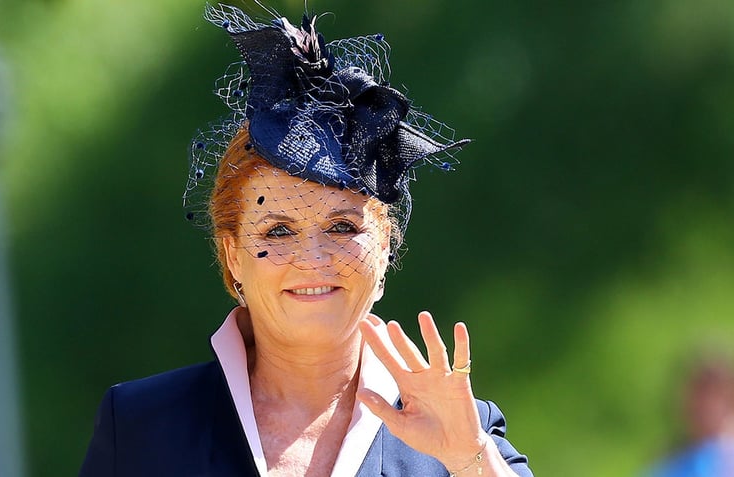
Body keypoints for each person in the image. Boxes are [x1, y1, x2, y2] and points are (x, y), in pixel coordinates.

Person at [79, 4, 532, 476]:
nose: (312, 259)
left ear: (385, 247)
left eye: (342, 227)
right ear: (232, 258)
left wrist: (468, 460)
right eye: (278, 230)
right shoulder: (140, 427)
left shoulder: (463, 432)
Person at [646, 355, 734, 477]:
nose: (706, 406)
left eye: (715, 396)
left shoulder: (726, 458)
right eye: (699, 395)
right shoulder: (669, 460)